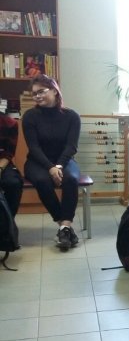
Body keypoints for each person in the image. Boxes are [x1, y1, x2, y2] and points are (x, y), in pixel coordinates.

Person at [21, 75, 81, 251]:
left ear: (54, 91)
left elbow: (71, 146)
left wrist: (59, 166)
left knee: (71, 179)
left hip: (64, 160)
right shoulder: (30, 116)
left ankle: (64, 228)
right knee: (43, 180)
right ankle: (64, 227)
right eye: (34, 94)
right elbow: (34, 147)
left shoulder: (72, 116)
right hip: (37, 162)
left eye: (41, 91)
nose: (37, 96)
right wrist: (50, 167)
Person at [0, 100, 23, 216]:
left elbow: (8, 152)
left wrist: (0, 169)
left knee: (13, 183)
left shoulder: (9, 123)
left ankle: (7, 222)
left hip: (2, 162)